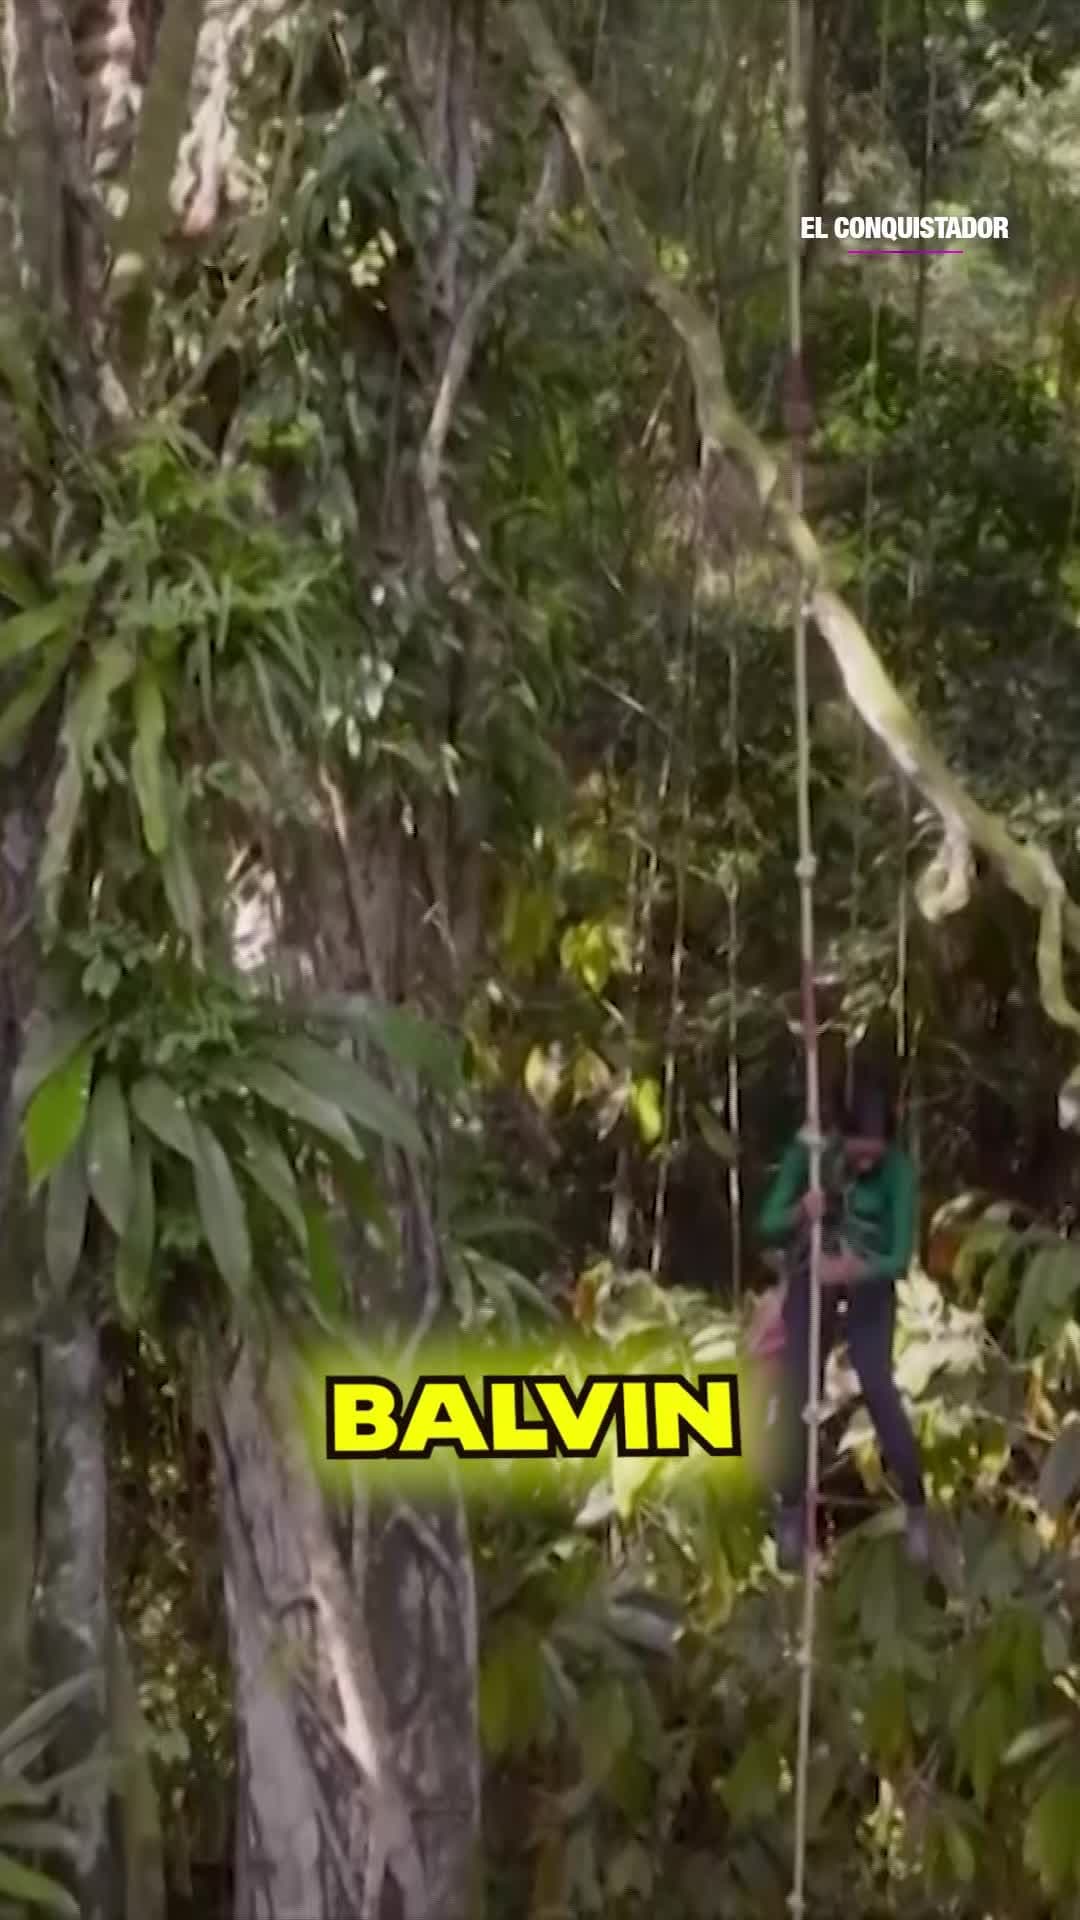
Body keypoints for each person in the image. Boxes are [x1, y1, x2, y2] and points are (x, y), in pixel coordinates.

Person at [757, 1065, 929, 1571]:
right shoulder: (812, 1156)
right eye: (859, 1150)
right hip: (814, 1273)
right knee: (796, 1384)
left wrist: (856, 1269)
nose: (867, 1160)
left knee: (875, 1381)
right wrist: (801, 1213)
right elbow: (767, 1224)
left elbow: (899, 1257)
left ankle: (916, 1504)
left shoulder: (898, 1173)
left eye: (876, 1150)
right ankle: (792, 1510)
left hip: (868, 1278)